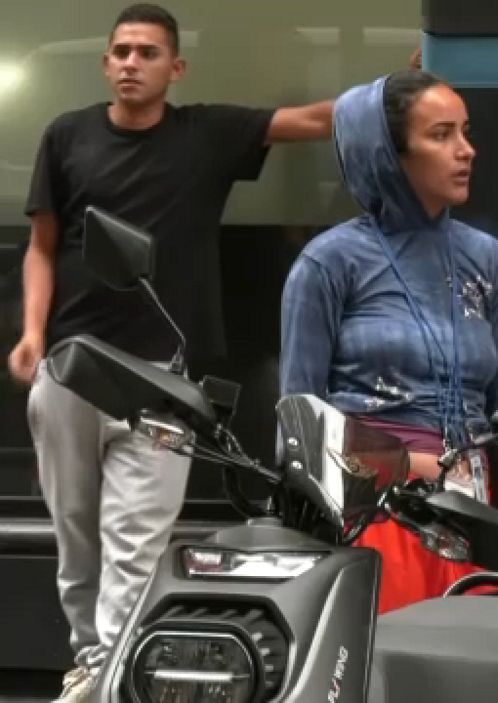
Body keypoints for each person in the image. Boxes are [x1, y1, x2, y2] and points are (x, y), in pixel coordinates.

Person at [9, 5, 337, 700]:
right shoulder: (66, 135)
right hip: (71, 368)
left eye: (148, 52)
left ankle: (108, 673)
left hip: (160, 380)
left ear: (176, 68)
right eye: (122, 51)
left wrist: (405, 91)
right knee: (76, 540)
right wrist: (32, 333)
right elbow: (41, 245)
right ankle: (90, 657)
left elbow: (314, 120)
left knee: (135, 542)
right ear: (106, 62)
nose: (132, 62)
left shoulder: (206, 134)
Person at [279, 69, 498, 614]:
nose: (466, 150)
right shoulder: (329, 263)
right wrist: (400, 466)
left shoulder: (489, 260)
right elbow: (297, 425)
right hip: (371, 518)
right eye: (441, 135)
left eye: (465, 132)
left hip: (473, 516)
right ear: (387, 155)